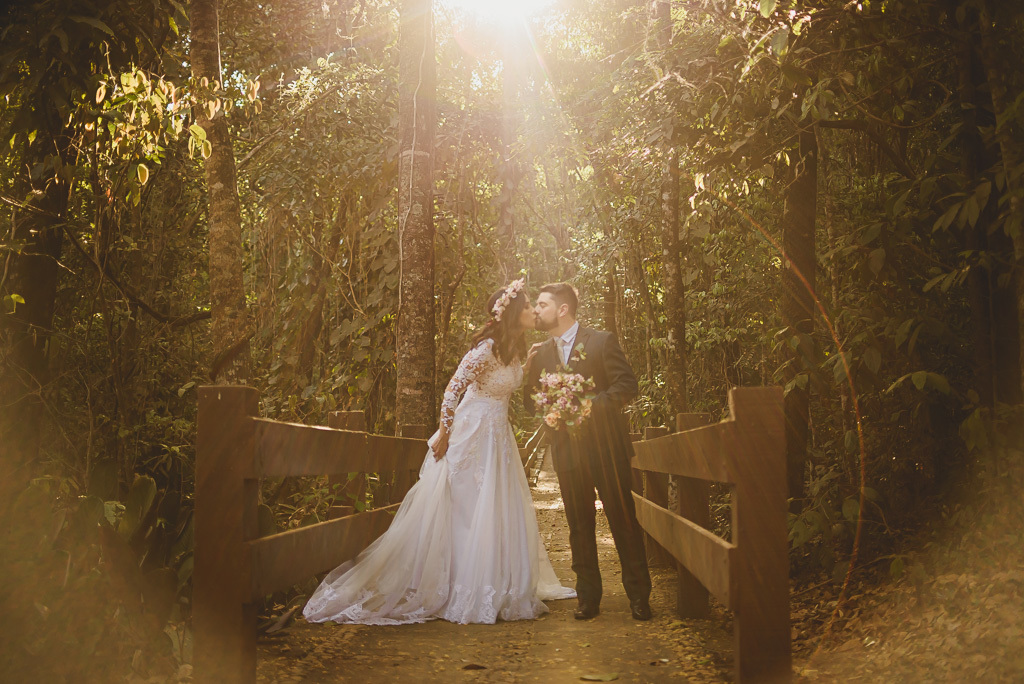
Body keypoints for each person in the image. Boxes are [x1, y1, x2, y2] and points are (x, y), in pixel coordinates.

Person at [303, 279, 575, 625]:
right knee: (465, 508)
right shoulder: (485, 349)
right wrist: (445, 434)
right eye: (526, 307)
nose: (532, 311)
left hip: (498, 437)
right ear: (510, 314)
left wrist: (527, 364)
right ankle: (459, 586)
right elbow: (452, 391)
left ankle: (495, 584)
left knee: (493, 506)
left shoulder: (513, 348)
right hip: (472, 434)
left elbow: (505, 382)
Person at [524, 282, 652, 621]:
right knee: (579, 525)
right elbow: (529, 401)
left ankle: (639, 597)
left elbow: (627, 385)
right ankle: (588, 598)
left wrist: (588, 407)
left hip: (608, 448)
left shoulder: (601, 341)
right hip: (567, 452)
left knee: (623, 522)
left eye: (542, 304)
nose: (536, 311)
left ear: (562, 309)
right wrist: (549, 408)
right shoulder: (541, 353)